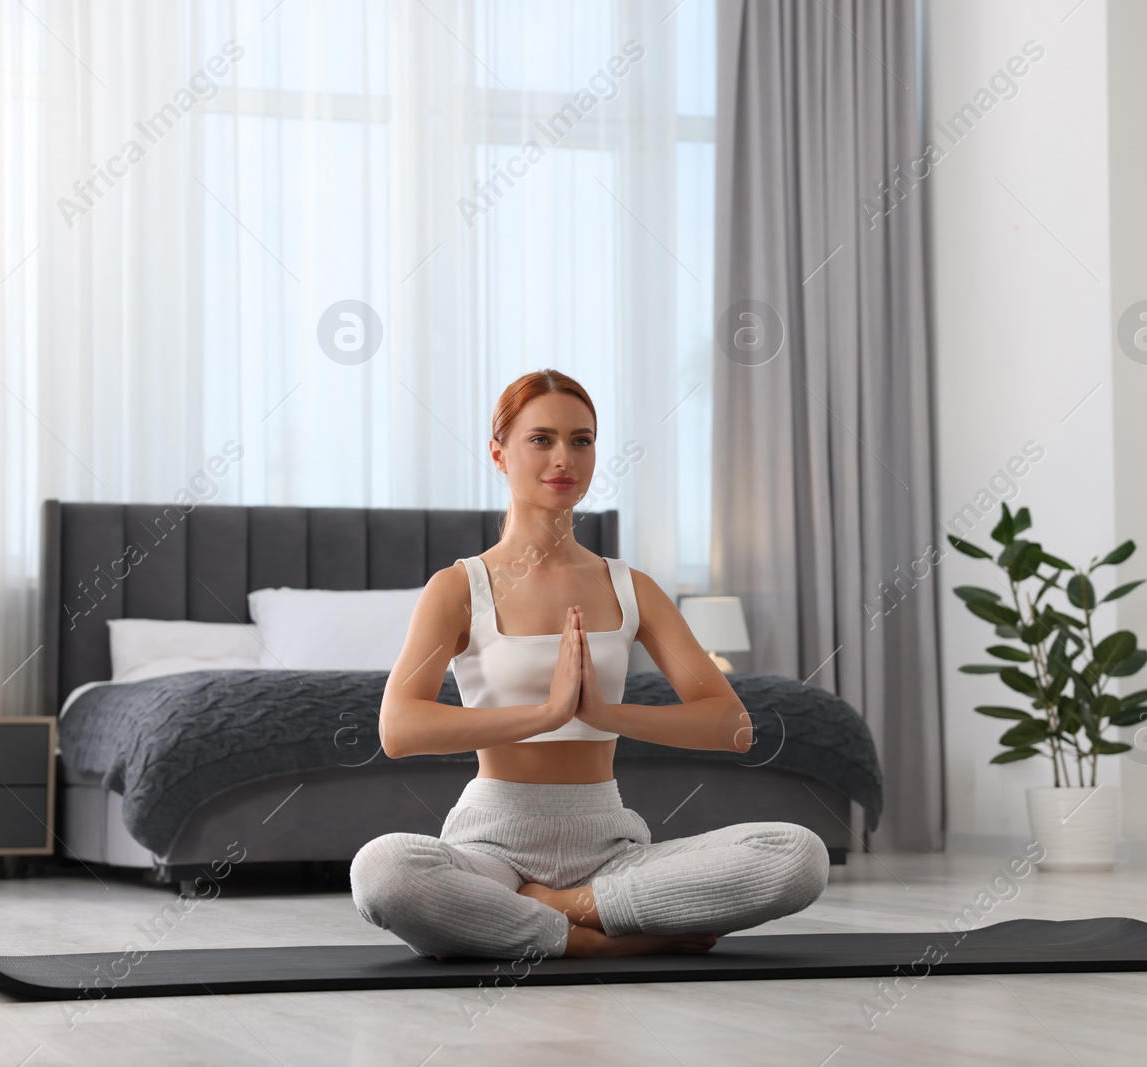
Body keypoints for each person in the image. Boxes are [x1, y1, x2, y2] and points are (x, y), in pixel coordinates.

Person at [350, 368, 828, 960]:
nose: (563, 458)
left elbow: (732, 727)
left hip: (610, 848)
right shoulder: (458, 587)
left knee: (798, 855)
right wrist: (546, 713)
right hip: (490, 849)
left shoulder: (631, 587)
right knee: (383, 870)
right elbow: (399, 730)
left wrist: (606, 713)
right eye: (541, 439)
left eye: (581, 440)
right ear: (499, 454)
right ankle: (604, 943)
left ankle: (559, 911)